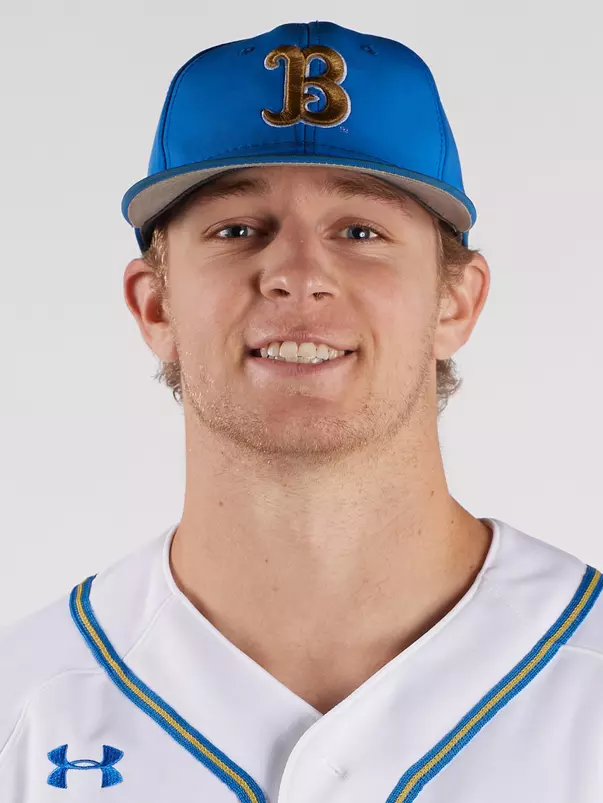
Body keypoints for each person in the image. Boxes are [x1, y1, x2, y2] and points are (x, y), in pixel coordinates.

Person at [0, 20, 601, 803]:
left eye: (359, 230)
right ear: (155, 306)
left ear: (456, 300)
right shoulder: (27, 705)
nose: (296, 275)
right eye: (237, 229)